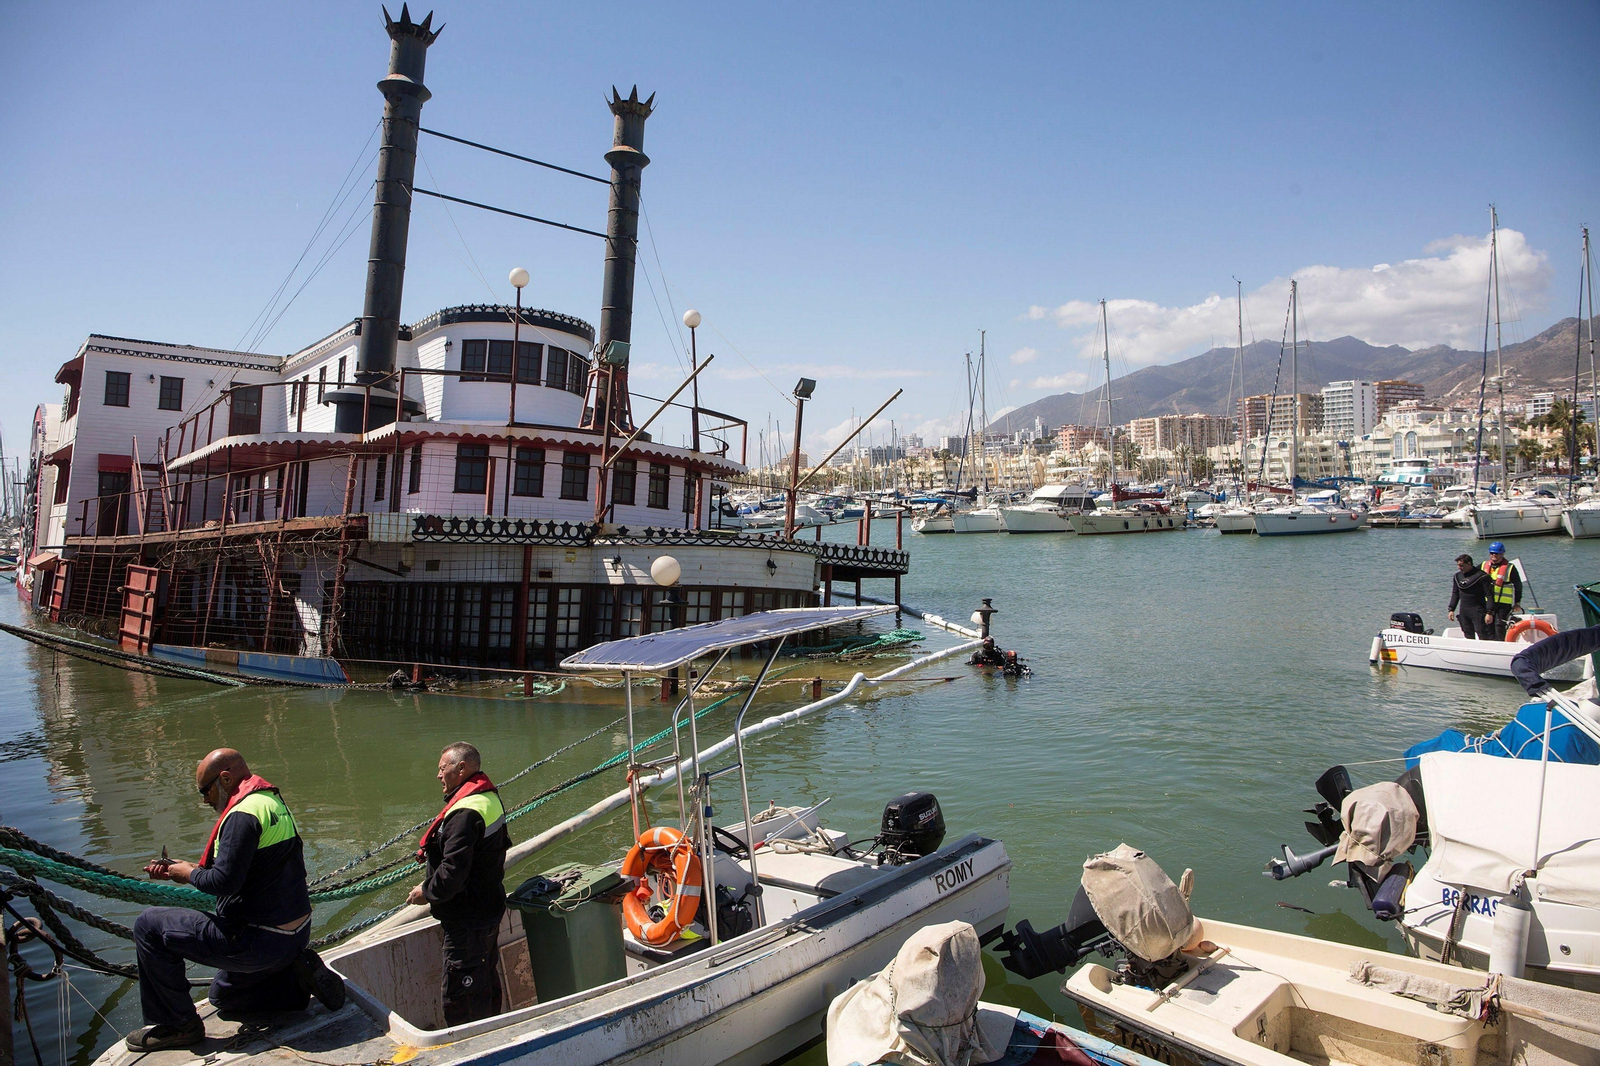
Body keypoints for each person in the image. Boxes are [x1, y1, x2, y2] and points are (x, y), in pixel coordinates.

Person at [129, 749, 345, 1051]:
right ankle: (294, 984)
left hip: (258, 941)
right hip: (295, 936)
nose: (204, 800)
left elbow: (225, 883)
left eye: (205, 791)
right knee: (222, 997)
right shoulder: (271, 801)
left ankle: (180, 1027)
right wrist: (187, 868)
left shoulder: (241, 816)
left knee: (148, 925)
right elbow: (245, 868)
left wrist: (187, 874)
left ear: (225, 779)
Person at [408, 742, 511, 1027]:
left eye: (443, 768)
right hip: (487, 909)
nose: (438, 775)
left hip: (468, 920)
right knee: (484, 983)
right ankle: (492, 1033)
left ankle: (473, 1042)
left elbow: (453, 872)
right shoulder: (487, 798)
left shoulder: (465, 813)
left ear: (461, 768)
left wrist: (426, 891)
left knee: (463, 998)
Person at [1482, 542, 1523, 640]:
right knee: (1487, 627)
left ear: (1502, 554)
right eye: (1492, 553)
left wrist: (1517, 603)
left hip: (1503, 604)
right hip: (1487, 602)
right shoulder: (1483, 565)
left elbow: (1518, 586)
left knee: (1500, 627)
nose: (1494, 556)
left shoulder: (1510, 568)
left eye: (1496, 554)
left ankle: (1502, 644)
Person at [1447, 553, 1493, 639]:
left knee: (1482, 634)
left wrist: (1489, 612)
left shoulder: (1482, 576)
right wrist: (1451, 609)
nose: (1459, 567)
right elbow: (1455, 593)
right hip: (1464, 610)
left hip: (1478, 610)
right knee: (1467, 633)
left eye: (1461, 565)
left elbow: (1489, 595)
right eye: (1458, 565)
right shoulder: (1457, 576)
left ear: (1469, 564)